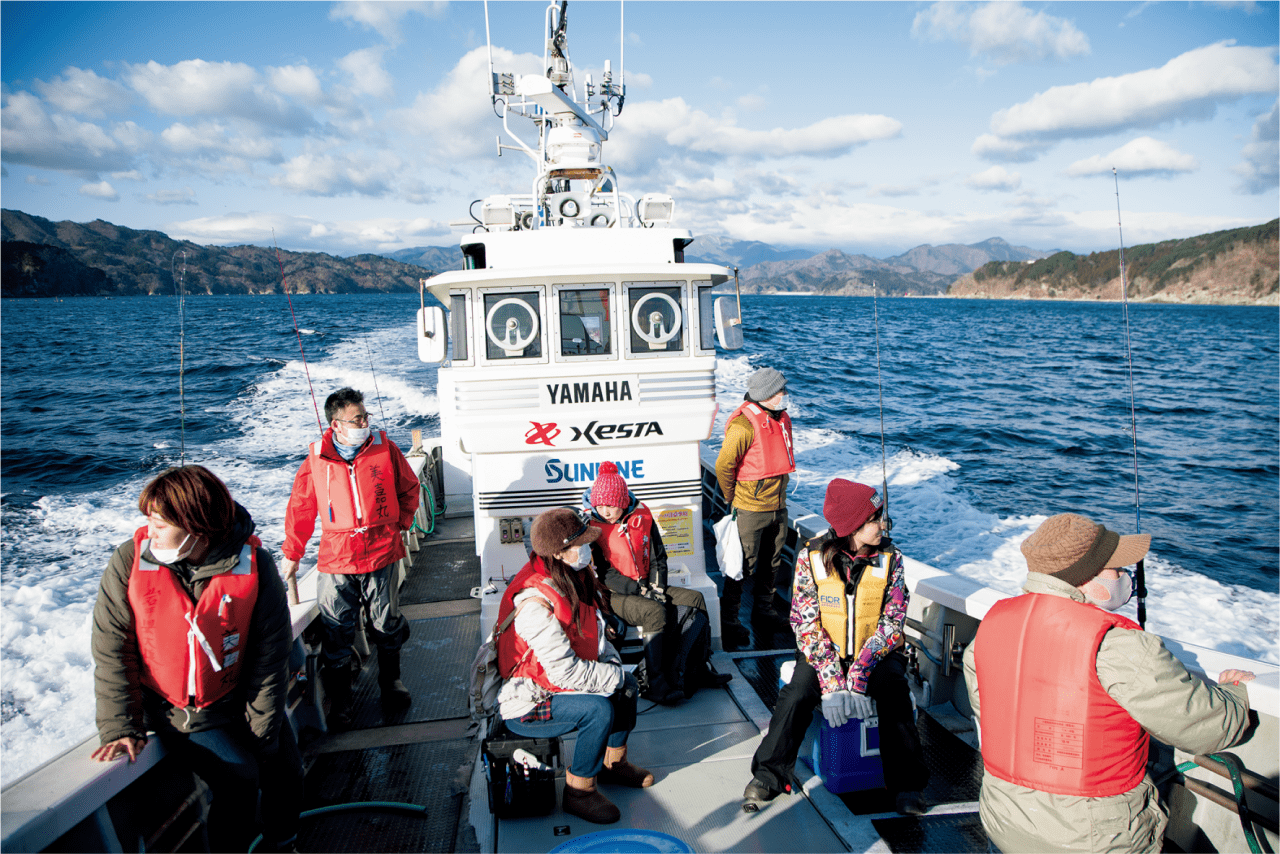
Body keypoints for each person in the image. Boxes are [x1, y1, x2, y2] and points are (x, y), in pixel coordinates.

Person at [963, 513, 1256, 854]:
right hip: (1092, 841)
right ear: (1087, 577)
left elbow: (990, 711)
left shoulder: (991, 628)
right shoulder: (1119, 646)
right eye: (1117, 569)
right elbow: (1209, 728)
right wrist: (1236, 692)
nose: (1125, 577)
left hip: (1003, 824)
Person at [91, 465, 303, 853]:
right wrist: (121, 724)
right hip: (180, 710)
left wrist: (263, 731)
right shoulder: (128, 561)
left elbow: (270, 655)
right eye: (148, 522)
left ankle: (282, 844)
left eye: (159, 524)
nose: (148, 532)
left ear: (196, 527)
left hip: (240, 693)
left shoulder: (257, 565)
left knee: (284, 770)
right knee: (239, 778)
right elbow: (110, 646)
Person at [744, 479, 929, 815]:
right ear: (852, 526)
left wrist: (858, 675)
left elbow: (893, 622)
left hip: (875, 653)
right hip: (823, 653)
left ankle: (907, 784)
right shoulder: (810, 559)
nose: (883, 525)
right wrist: (832, 682)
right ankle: (769, 774)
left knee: (894, 689)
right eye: (876, 519)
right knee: (797, 691)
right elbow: (804, 623)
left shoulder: (893, 560)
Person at [496, 507, 654, 825]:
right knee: (598, 709)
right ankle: (579, 790)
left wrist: (612, 666)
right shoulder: (533, 603)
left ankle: (614, 764)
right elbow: (563, 672)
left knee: (628, 686)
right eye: (579, 544)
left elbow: (593, 636)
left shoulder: (573, 576)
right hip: (530, 700)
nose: (587, 549)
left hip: (557, 683)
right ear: (558, 552)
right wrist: (612, 675)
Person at [282, 387, 421, 726]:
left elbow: (409, 488)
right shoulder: (315, 459)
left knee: (386, 623)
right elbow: (301, 509)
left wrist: (401, 524)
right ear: (336, 424)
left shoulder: (385, 450)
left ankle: (391, 682)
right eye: (357, 418)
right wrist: (292, 554)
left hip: (382, 551)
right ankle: (341, 700)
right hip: (337, 557)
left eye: (366, 416)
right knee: (336, 630)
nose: (365, 422)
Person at [583, 462, 732, 705]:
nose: (605, 510)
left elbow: (658, 557)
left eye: (610, 505)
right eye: (599, 505)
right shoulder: (592, 528)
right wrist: (641, 591)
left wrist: (658, 588)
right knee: (654, 611)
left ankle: (700, 666)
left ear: (622, 501)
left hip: (646, 584)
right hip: (615, 594)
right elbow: (603, 574)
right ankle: (655, 682)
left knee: (695, 599)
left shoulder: (642, 515)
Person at [714, 367, 795, 646]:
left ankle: (765, 611)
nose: (784, 395)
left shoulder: (781, 419)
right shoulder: (743, 426)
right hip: (750, 507)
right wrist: (731, 498)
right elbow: (724, 465)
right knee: (742, 566)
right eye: (779, 392)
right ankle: (730, 619)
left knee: (772, 563)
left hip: (778, 506)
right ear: (765, 395)